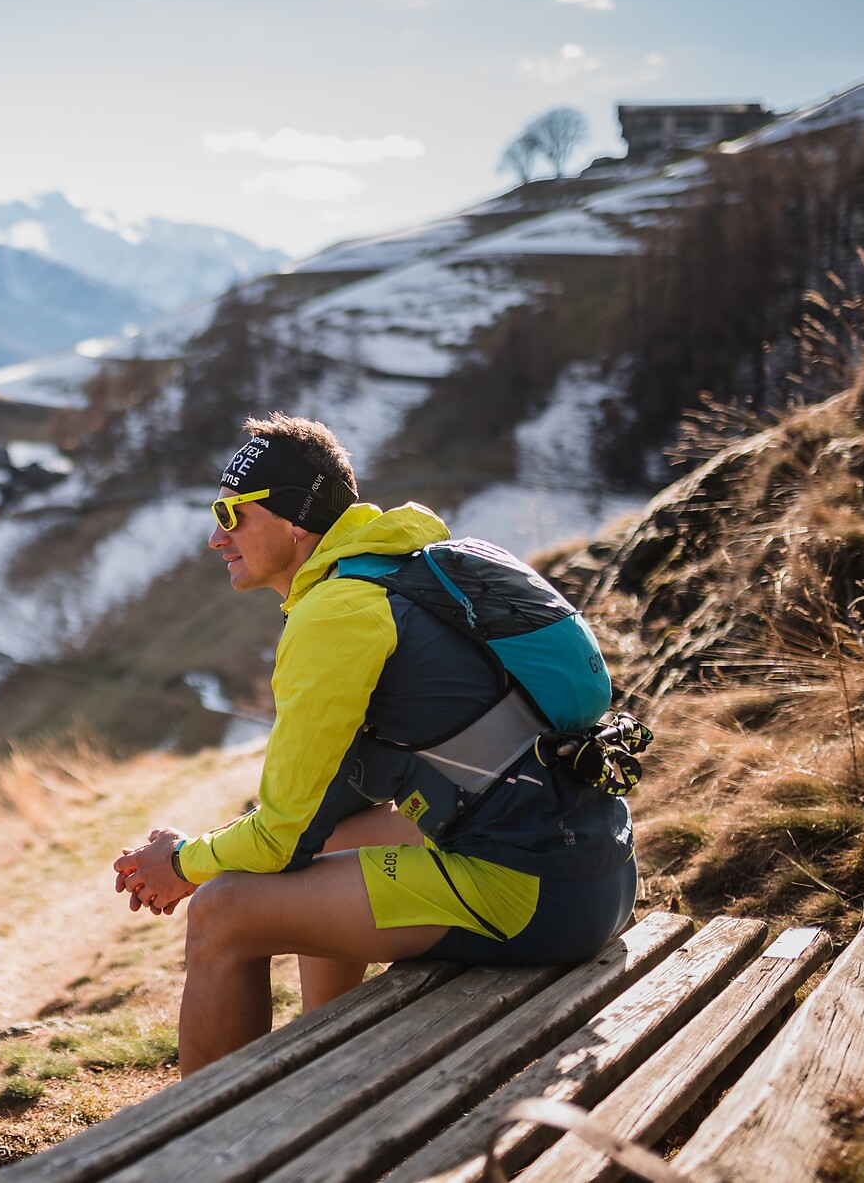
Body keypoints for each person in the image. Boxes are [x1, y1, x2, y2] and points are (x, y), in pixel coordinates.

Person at [112, 412, 635, 1077]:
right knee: (340, 841)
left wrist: (184, 862)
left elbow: (278, 836)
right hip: (598, 868)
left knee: (221, 912)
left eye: (232, 513)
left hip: (534, 893)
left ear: (297, 520)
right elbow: (318, 822)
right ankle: (331, 1060)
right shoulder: (393, 569)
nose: (217, 536)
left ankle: (203, 1141)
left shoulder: (336, 611)